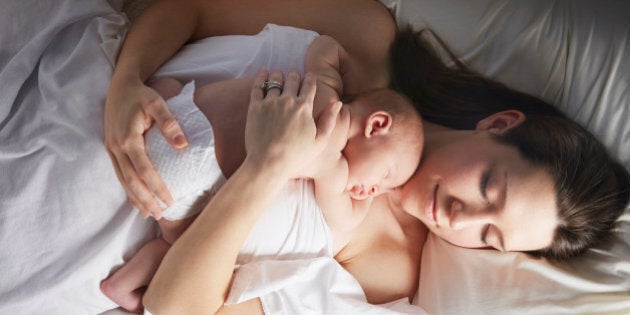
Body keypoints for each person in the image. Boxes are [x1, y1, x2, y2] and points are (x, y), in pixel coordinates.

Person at [104, 0, 630, 313]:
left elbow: (182, 307)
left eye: (490, 236)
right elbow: (189, 8)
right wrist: (125, 85)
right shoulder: (363, 41)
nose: (462, 218)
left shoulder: (388, 270)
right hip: (96, 102)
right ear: (498, 125)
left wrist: (267, 169)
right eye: (490, 187)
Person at [101, 34, 423, 313]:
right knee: (179, 240)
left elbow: (324, 47)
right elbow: (344, 216)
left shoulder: (324, 88)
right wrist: (359, 202)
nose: (376, 188)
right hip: (185, 175)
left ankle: (164, 91)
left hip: (177, 116)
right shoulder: (331, 151)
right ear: (377, 124)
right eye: (386, 176)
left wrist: (341, 65)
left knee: (174, 89)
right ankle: (125, 285)